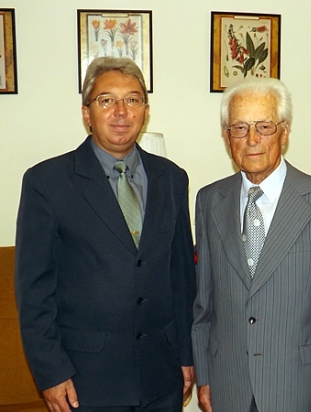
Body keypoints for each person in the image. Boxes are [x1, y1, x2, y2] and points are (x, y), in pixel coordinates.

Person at [15, 57, 196, 412]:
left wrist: (187, 355)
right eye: (106, 100)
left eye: (132, 99)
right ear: (87, 113)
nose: (121, 111)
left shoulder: (172, 178)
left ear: (145, 111)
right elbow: (34, 291)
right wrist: (50, 372)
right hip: (86, 381)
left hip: (161, 376)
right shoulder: (47, 182)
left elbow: (182, 278)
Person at [192, 77, 311, 411]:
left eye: (264, 126)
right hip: (227, 382)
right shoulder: (209, 200)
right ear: (227, 136)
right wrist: (204, 374)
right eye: (240, 128)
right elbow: (204, 301)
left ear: (284, 132)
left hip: (299, 384)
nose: (252, 139)